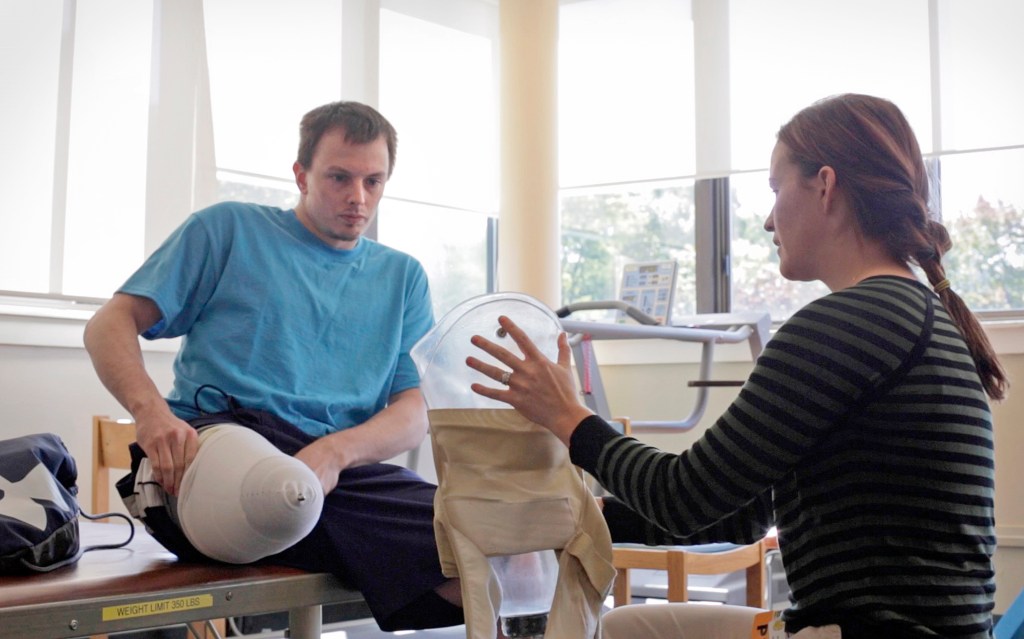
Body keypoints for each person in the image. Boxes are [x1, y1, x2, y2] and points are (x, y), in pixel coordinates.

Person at [466, 94, 1007, 639]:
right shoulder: (914, 314)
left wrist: (569, 418)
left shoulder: (849, 321)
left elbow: (681, 496)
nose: (769, 220)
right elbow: (743, 512)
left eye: (775, 190)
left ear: (825, 185)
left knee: (626, 631)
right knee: (632, 626)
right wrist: (585, 518)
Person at [84, 101, 464, 631]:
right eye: (339, 177)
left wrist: (335, 452)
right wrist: (150, 413)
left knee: (482, 540)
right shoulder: (228, 230)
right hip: (219, 443)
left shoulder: (402, 277)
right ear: (301, 174)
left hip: (334, 471)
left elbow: (414, 408)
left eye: (374, 181)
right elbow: (110, 323)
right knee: (283, 494)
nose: (359, 198)